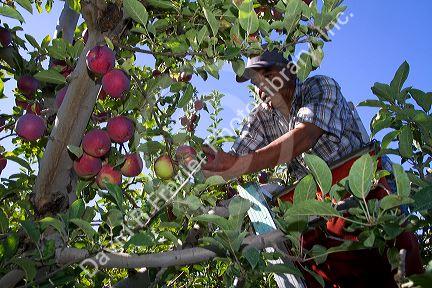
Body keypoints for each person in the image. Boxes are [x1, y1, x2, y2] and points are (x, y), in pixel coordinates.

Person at [201, 48, 423, 287]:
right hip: (318, 209)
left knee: (396, 266)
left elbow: (305, 136)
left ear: (289, 72)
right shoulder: (262, 117)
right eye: (255, 81)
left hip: (363, 189)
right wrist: (214, 166)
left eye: (267, 73)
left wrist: (236, 165)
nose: (261, 84)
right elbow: (237, 157)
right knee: (328, 275)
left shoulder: (319, 87)